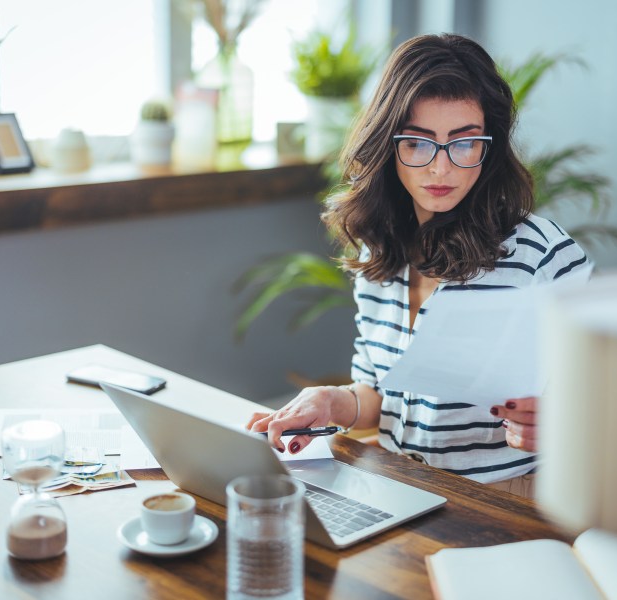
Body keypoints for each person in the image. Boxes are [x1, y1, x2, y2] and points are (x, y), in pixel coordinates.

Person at [246, 33, 588, 498]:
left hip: (503, 499)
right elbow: (379, 401)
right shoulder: (377, 248)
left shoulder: (540, 255)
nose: (440, 169)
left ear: (490, 146)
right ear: (389, 145)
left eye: (464, 143)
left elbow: (611, 402)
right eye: (418, 143)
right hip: (399, 487)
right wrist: (332, 402)